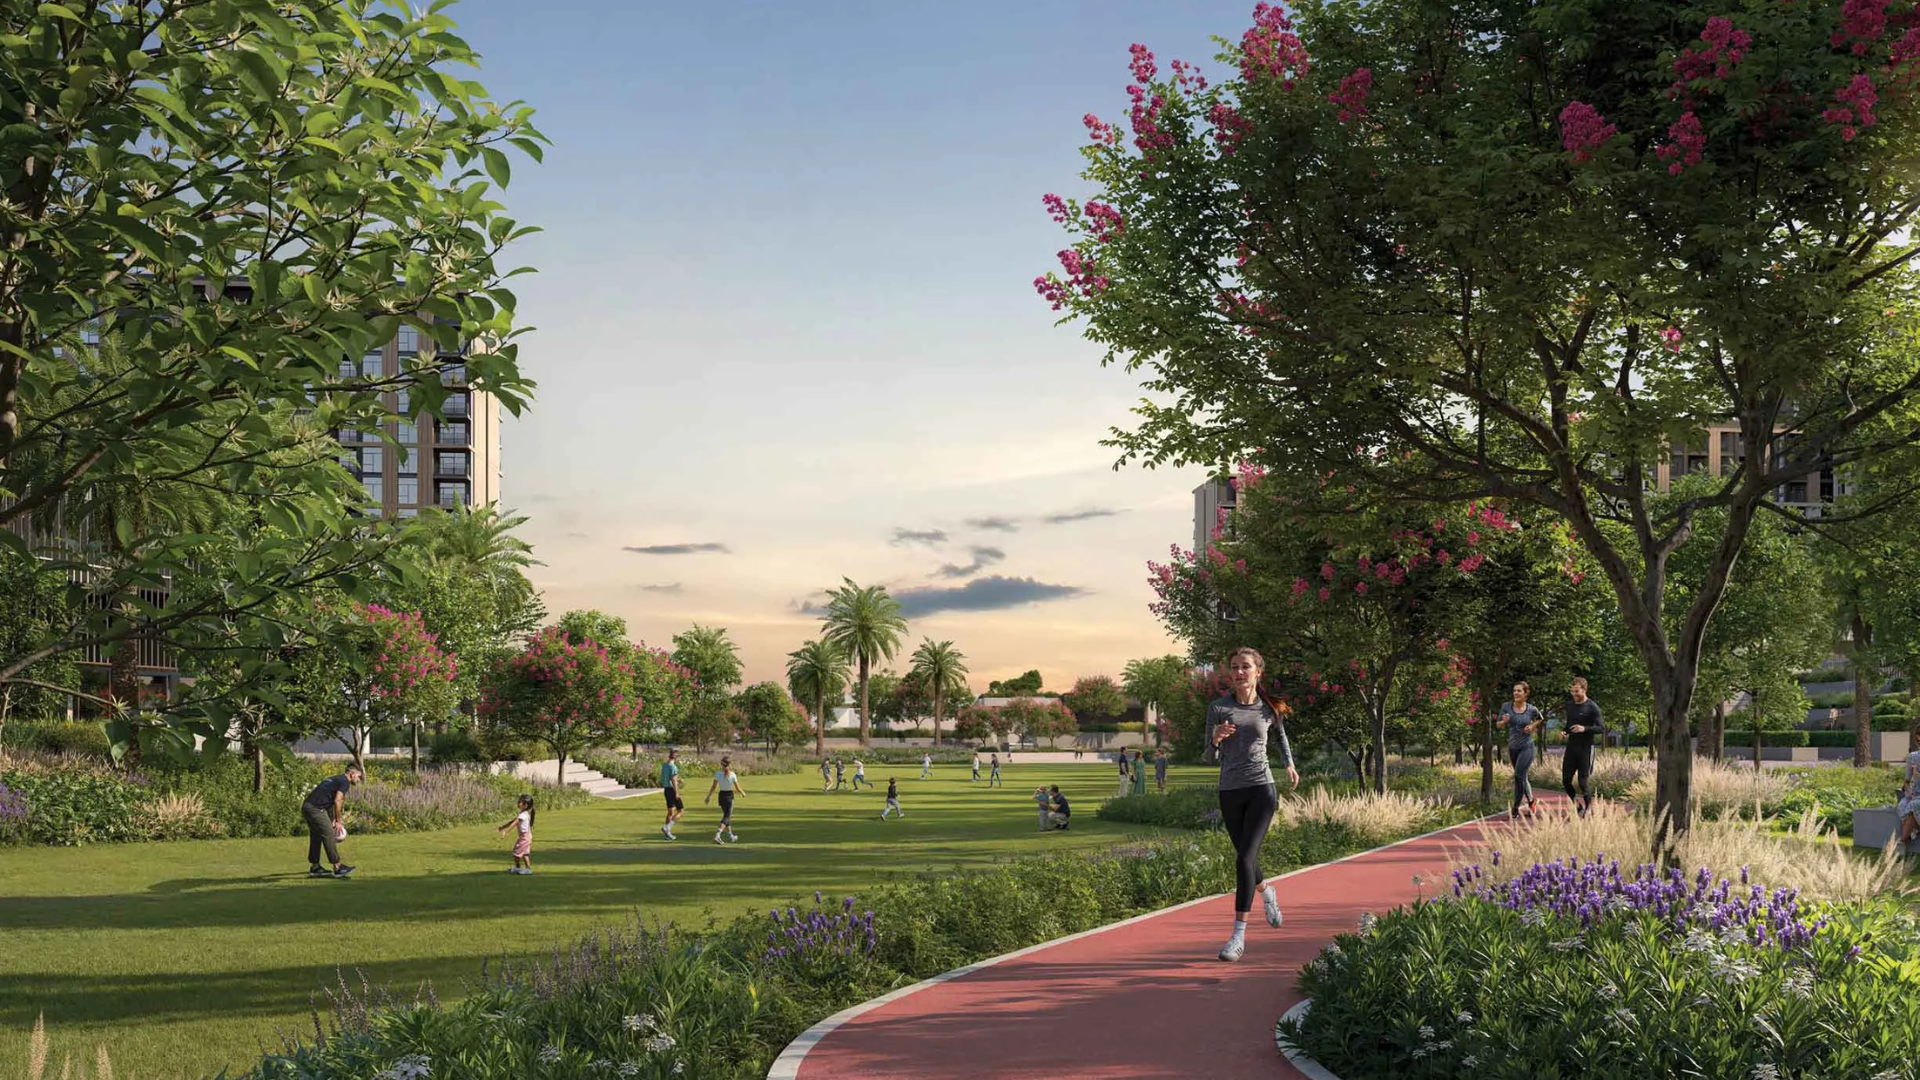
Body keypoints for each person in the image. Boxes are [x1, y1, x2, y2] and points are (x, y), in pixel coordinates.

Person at [1207, 647, 1299, 962]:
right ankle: (1266, 892)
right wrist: (1215, 739)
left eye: (1245, 666)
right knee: (1245, 859)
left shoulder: (1269, 709)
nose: (1238, 672)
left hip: (1262, 789)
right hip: (1230, 791)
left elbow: (1281, 738)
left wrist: (1289, 765)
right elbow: (1208, 757)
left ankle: (1238, 936)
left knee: (1244, 859)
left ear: (1258, 671)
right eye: (1234, 667)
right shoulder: (1218, 708)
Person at [1494, 682, 1544, 819]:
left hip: (1527, 746)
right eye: (1514, 690)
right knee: (1522, 776)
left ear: (1525, 693)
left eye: (1519, 691)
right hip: (1513, 747)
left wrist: (1532, 726)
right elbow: (1498, 725)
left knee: (1518, 775)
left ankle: (1515, 807)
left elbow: (1540, 719)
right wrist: (1504, 722)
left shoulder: (1531, 709)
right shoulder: (1506, 707)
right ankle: (1531, 801)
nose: (1515, 693)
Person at [303, 764, 361, 878]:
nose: (359, 780)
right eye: (359, 776)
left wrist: (332, 819)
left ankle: (315, 867)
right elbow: (337, 801)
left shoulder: (335, 779)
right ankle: (338, 868)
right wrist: (338, 821)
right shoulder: (345, 782)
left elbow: (328, 800)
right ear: (352, 774)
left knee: (316, 836)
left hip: (307, 806)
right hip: (315, 809)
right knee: (329, 834)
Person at [1562, 677, 1607, 816]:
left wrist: (1584, 729)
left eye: (1576, 692)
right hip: (1571, 748)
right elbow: (1569, 725)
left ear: (1584, 690)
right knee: (1566, 780)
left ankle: (1588, 808)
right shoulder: (1570, 705)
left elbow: (1602, 728)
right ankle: (1576, 805)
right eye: (1572, 691)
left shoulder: (1592, 707)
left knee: (1583, 782)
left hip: (1586, 749)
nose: (1574, 694)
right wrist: (1564, 732)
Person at [705, 755, 744, 843]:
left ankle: (731, 836)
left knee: (726, 816)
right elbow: (737, 788)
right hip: (729, 796)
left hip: (721, 796)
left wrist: (708, 796)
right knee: (727, 816)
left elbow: (714, 787)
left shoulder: (718, 774)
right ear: (729, 764)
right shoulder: (732, 775)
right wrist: (743, 793)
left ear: (722, 764)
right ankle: (718, 835)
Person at [496, 793, 536, 874]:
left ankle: (518, 868)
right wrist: (502, 827)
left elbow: (514, 823)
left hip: (524, 838)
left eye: (520, 802)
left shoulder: (523, 815)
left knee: (516, 853)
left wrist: (506, 832)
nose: (518, 803)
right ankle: (528, 868)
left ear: (525, 805)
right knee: (525, 854)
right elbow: (512, 821)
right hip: (526, 837)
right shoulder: (523, 814)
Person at [659, 748, 685, 840]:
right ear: (676, 757)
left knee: (670, 812)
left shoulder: (664, 765)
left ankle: (667, 834)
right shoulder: (673, 767)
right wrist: (677, 792)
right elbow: (673, 780)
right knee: (680, 811)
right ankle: (667, 827)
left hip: (666, 790)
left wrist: (678, 780)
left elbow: (668, 778)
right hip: (672, 790)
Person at [1897, 746, 1920, 844]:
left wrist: (1917, 774)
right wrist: (1910, 791)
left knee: (1914, 804)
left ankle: (1902, 841)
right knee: (1903, 805)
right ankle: (1913, 831)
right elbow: (1907, 782)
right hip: (1916, 793)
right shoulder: (1912, 757)